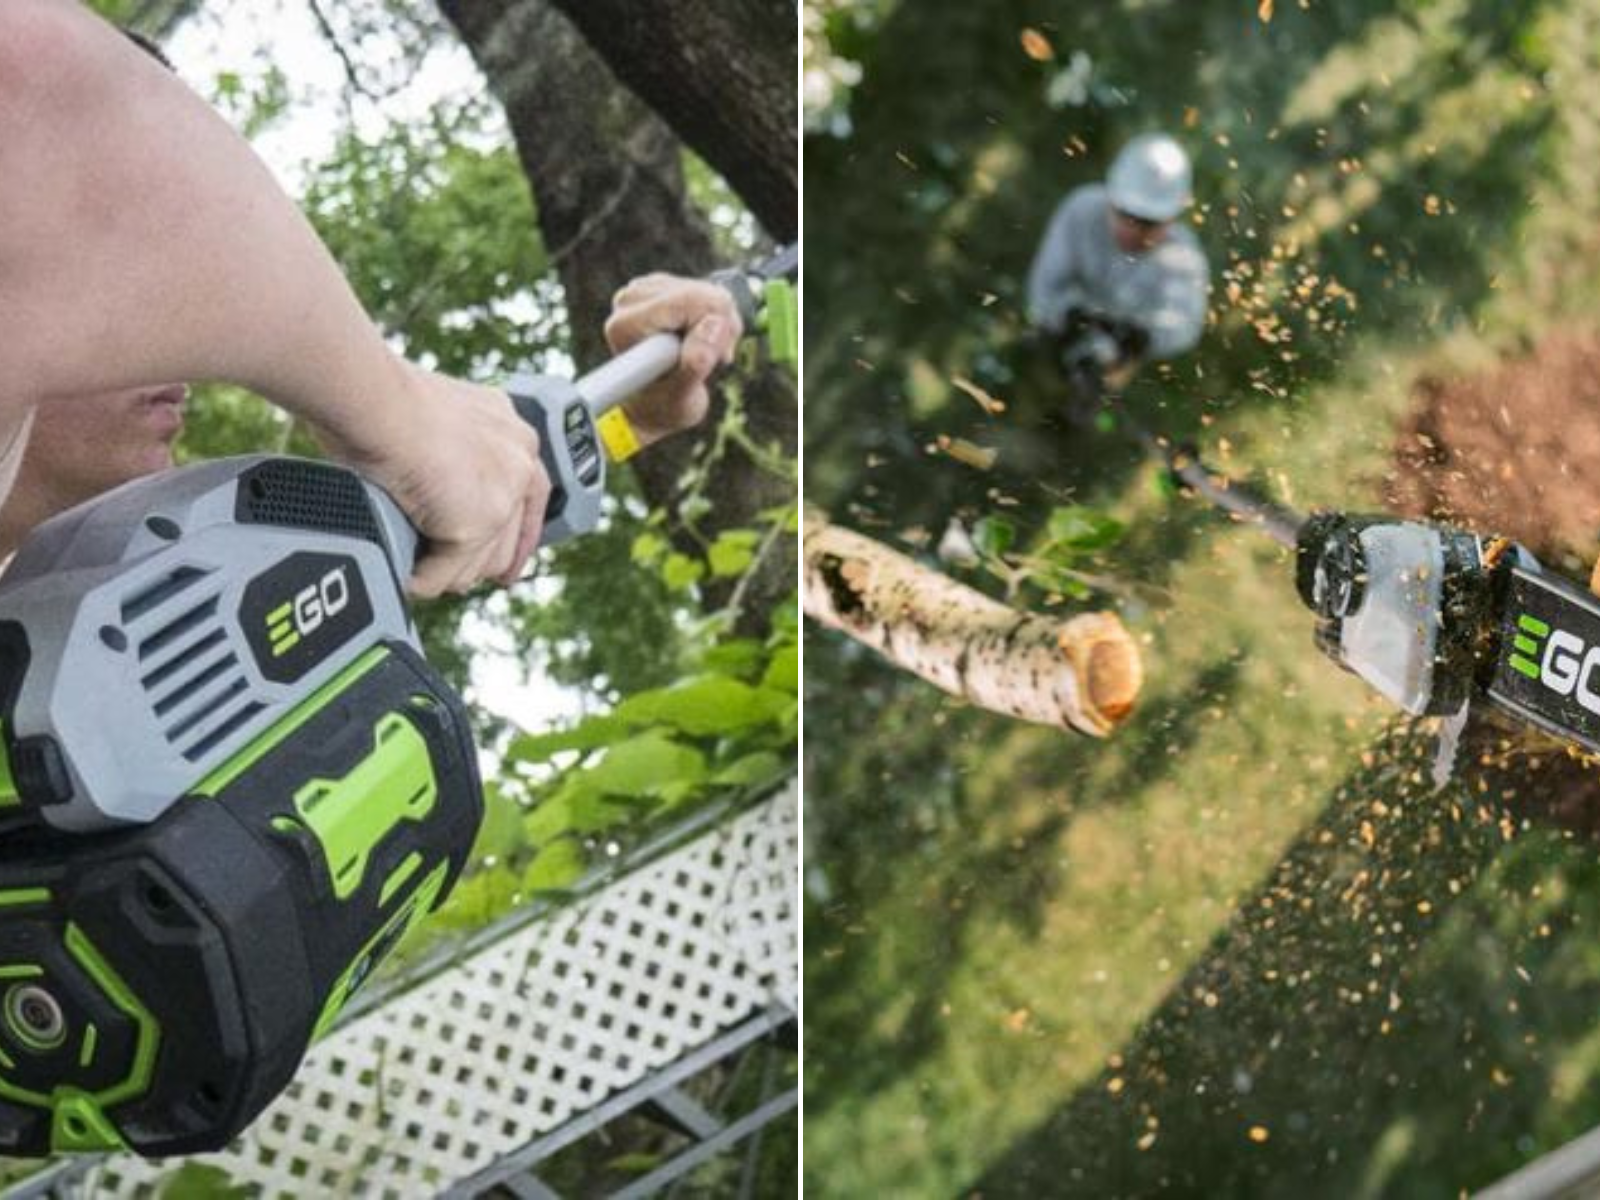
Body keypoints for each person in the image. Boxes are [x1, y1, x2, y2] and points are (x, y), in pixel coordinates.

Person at [0, 1, 740, 596]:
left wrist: (625, 416)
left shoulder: (98, 623)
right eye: (138, 259)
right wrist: (399, 412)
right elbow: (28, 75)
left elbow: (466, 517)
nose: (179, 336)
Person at [1025, 132, 1210, 420]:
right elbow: (1045, 286)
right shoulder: (1081, 211)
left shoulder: (1182, 256)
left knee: (1093, 409)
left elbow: (1186, 324)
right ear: (1111, 197)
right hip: (1061, 330)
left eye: (1149, 223)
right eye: (1127, 215)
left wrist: (1142, 337)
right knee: (1033, 385)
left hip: (1119, 358)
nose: (1134, 231)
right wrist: (1072, 317)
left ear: (1173, 217)